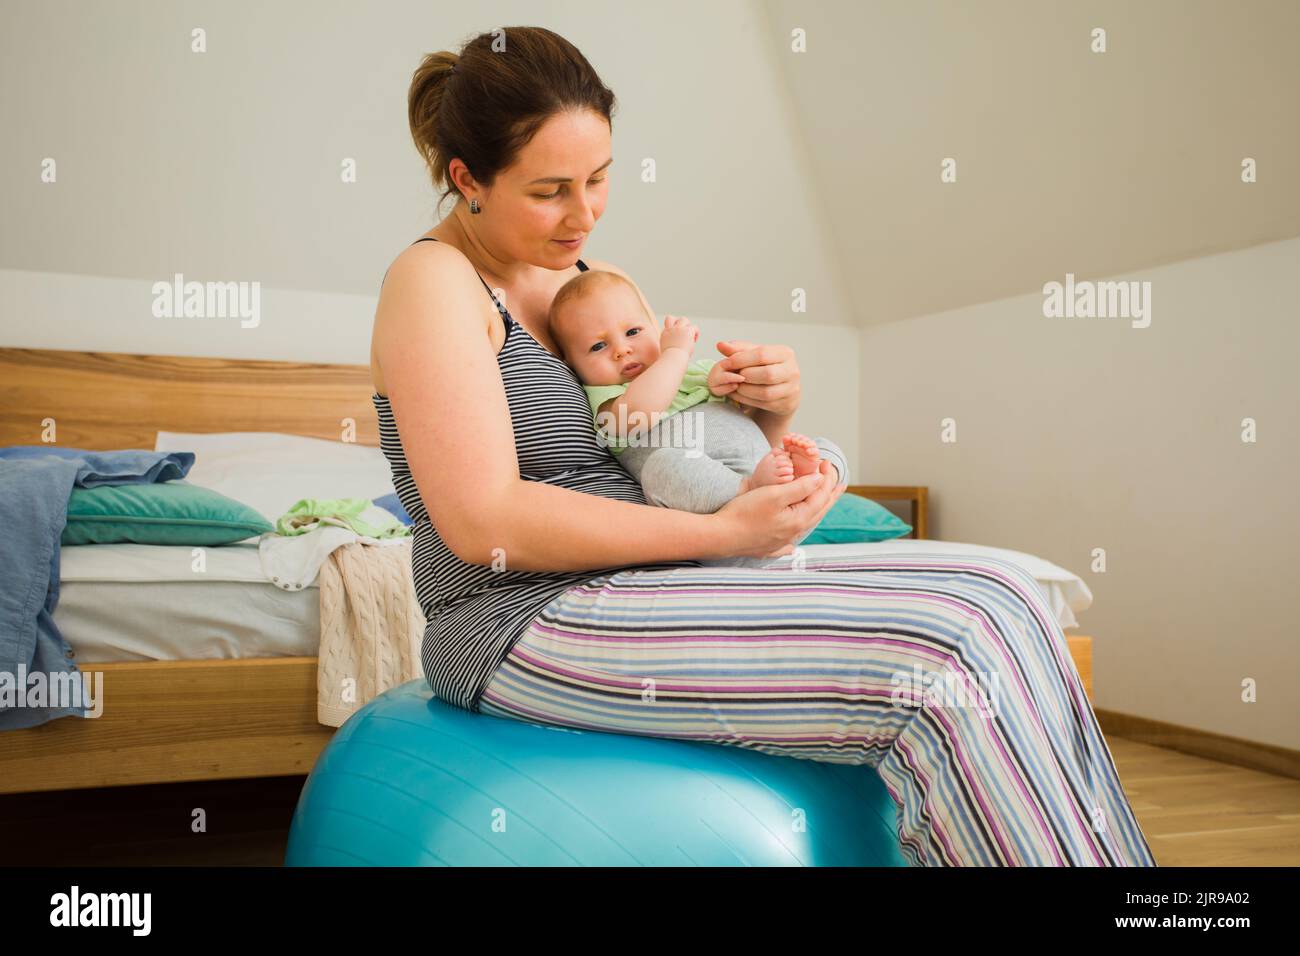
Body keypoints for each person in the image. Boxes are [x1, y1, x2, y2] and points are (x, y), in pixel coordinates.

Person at [370, 26, 1156, 866]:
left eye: (599, 179)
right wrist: (724, 534)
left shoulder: (575, 280)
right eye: (550, 190)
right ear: (468, 180)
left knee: (1006, 590)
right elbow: (485, 520)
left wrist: (766, 413)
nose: (584, 213)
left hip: (655, 578)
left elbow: (646, 442)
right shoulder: (433, 284)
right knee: (948, 647)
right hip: (519, 618)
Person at [545, 268, 852, 518]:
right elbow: (638, 414)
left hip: (769, 481)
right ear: (571, 364)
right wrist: (675, 353)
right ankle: (749, 490)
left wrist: (731, 379)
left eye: (633, 332)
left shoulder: (688, 371)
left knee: (829, 452)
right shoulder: (608, 398)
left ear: (654, 328)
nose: (622, 350)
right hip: (720, 513)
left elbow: (740, 405)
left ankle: (804, 483)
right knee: (662, 468)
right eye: (598, 346)